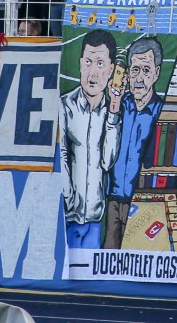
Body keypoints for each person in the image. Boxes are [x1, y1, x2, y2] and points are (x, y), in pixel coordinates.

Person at [102, 35, 164, 248]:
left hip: (142, 202)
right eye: (134, 70)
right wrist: (114, 104)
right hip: (113, 197)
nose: (139, 78)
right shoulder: (118, 104)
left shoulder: (161, 112)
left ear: (156, 73)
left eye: (146, 70)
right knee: (108, 255)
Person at [61, 30, 119, 249]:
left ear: (111, 69)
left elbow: (107, 162)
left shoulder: (111, 113)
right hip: (67, 214)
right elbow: (62, 154)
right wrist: (68, 198)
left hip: (95, 216)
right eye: (88, 62)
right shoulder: (65, 105)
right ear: (79, 63)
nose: (92, 73)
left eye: (100, 64)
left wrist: (113, 116)